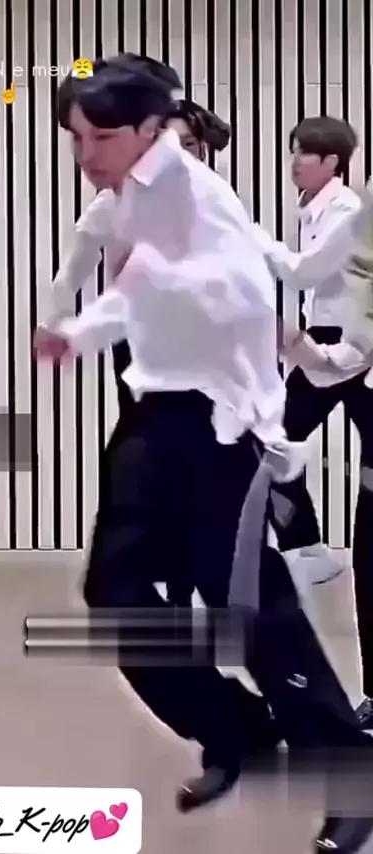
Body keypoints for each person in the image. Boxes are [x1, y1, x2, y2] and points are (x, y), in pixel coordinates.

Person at [35, 58, 373, 853]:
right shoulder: (126, 196)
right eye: (76, 138)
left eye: (101, 137)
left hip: (218, 425)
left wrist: (264, 428)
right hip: (154, 418)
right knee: (117, 596)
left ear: (151, 128)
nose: (85, 154)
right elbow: (139, 291)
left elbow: (253, 307)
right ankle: (238, 729)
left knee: (250, 608)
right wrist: (76, 332)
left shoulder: (198, 197)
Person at [46, 82, 231, 607]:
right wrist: (55, 322)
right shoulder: (114, 202)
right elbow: (72, 269)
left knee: (205, 458)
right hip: (142, 345)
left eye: (189, 146)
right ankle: (163, 577)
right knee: (152, 456)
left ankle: (196, 575)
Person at [251, 116, 372, 728]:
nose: (295, 161)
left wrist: (249, 239)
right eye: (294, 151)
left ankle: (308, 547)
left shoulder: (346, 209)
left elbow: (307, 273)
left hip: (345, 343)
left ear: (333, 162)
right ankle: (309, 546)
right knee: (272, 439)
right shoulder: (317, 207)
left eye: (305, 153)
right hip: (334, 340)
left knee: (271, 438)